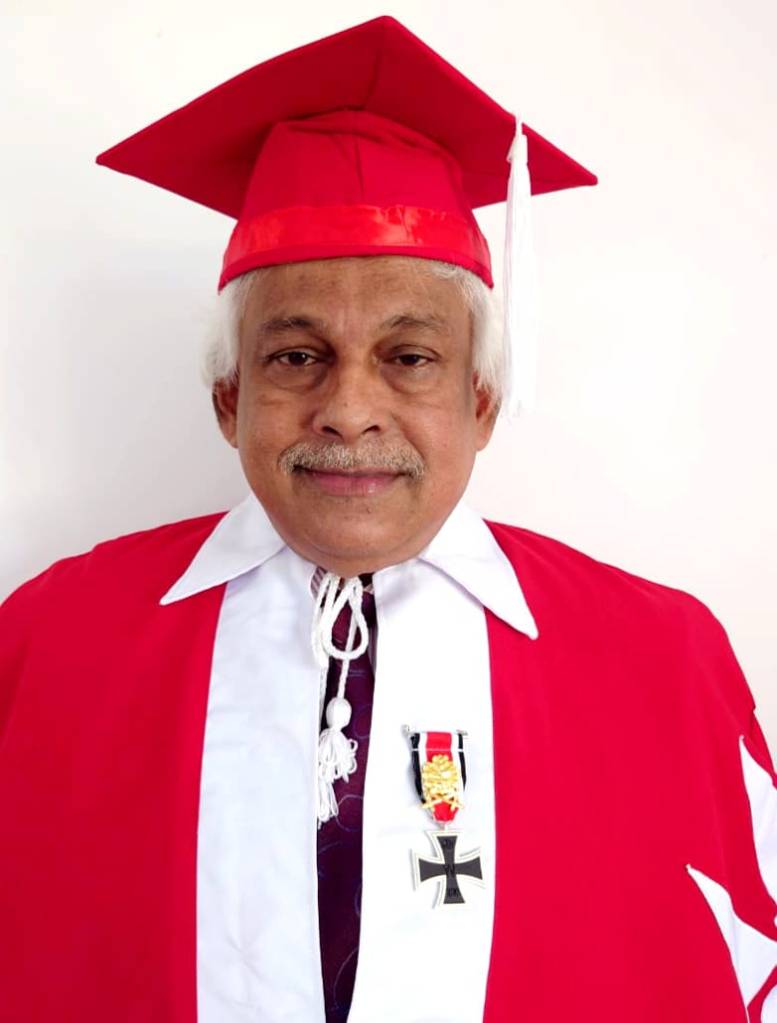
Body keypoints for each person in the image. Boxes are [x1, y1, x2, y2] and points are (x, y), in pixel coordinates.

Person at [1, 15, 775, 1023]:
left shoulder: (663, 661)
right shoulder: (51, 641)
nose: (350, 409)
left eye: (409, 358)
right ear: (229, 399)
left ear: (480, 400)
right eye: (295, 357)